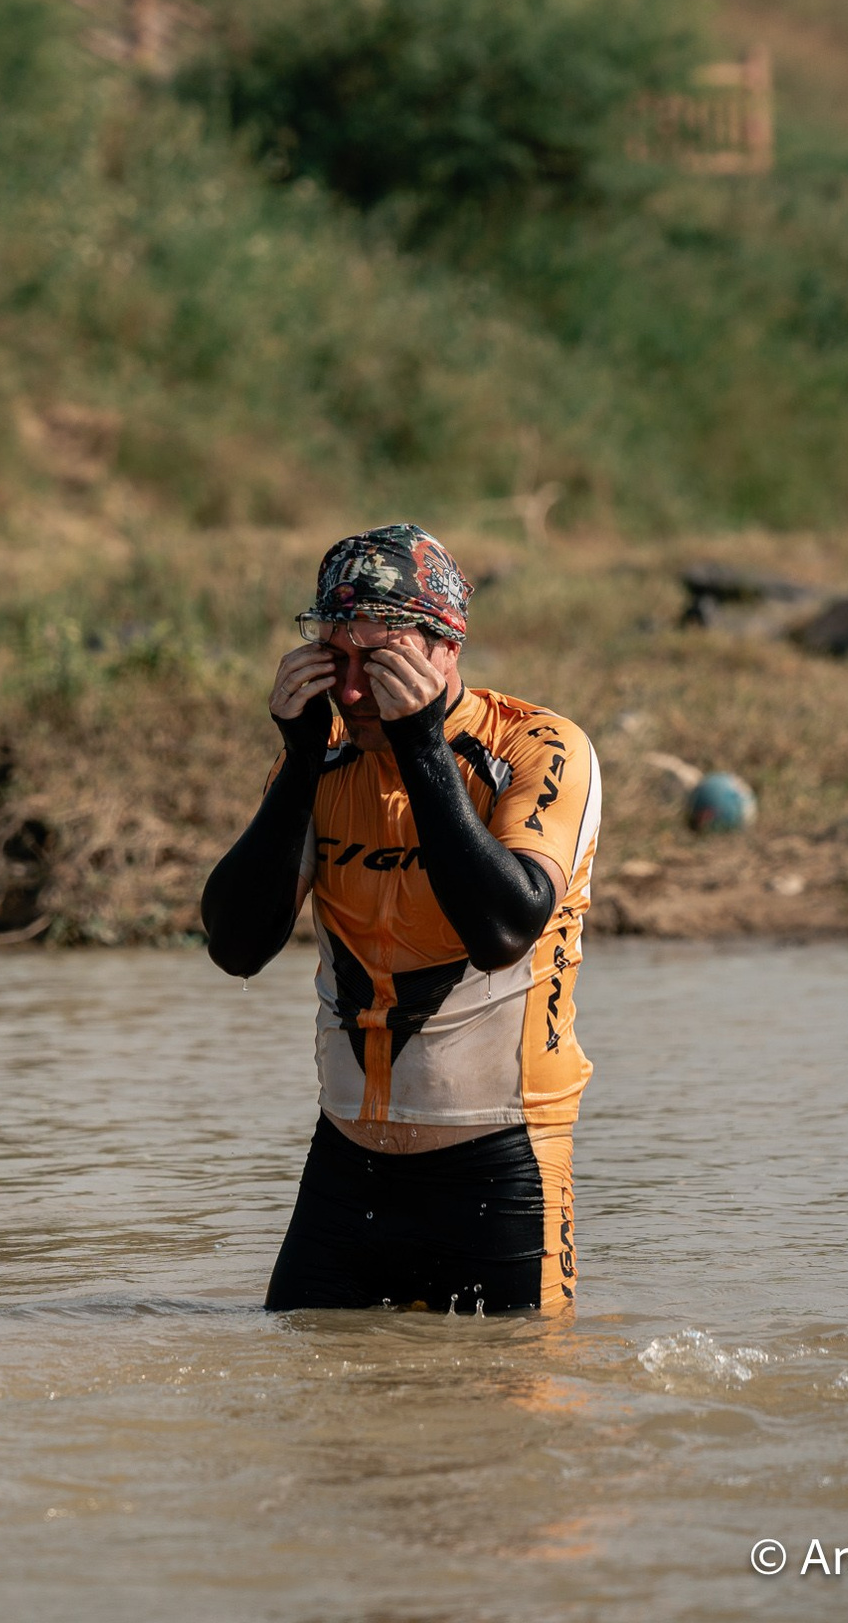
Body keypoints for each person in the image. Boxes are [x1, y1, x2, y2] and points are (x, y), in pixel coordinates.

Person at [202, 523, 600, 1316]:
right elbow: (238, 947)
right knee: (315, 1426)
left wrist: (422, 746)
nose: (351, 691)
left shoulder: (538, 749)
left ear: (444, 648)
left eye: (377, 661)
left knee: (509, 1429)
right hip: (348, 1174)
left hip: (501, 1166)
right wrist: (299, 762)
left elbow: (503, 929)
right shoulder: (324, 755)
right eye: (333, 658)